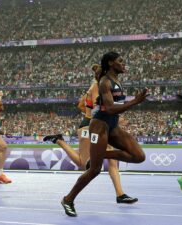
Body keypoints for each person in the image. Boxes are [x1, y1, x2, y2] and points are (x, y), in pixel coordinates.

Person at [61, 52, 148, 217]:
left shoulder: (116, 80)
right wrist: (135, 101)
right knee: (95, 170)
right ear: (110, 63)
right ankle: (68, 199)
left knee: (138, 156)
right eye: (120, 61)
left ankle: (100, 156)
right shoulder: (104, 82)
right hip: (99, 126)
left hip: (112, 125)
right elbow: (109, 108)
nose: (124, 63)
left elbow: (114, 109)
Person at [44, 64, 138, 204]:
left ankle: (120, 194)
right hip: (91, 126)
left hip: (100, 125)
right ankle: (60, 141)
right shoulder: (96, 87)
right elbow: (97, 108)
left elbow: (81, 105)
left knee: (113, 160)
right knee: (84, 164)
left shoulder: (96, 86)